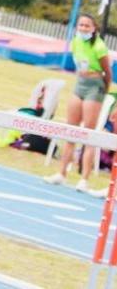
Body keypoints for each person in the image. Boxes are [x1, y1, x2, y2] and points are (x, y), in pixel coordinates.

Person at [44, 13, 112, 192]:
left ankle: (84, 179)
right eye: (81, 25)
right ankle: (61, 173)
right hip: (79, 84)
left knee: (88, 134)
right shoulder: (75, 41)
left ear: (94, 28)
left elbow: (107, 72)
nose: (83, 28)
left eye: (87, 26)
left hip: (94, 86)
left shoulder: (99, 46)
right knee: (71, 130)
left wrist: (103, 90)